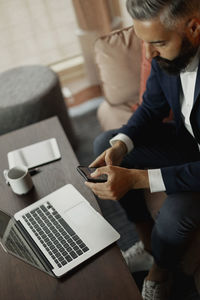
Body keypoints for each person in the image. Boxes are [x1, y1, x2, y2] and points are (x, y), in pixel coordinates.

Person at [85, 0, 200, 299]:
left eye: (158, 43)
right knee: (106, 144)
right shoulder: (168, 57)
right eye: (144, 42)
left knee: (176, 216)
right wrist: (121, 146)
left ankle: (161, 272)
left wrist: (137, 178)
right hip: (189, 143)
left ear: (194, 27)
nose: (148, 54)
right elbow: (151, 107)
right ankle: (148, 246)